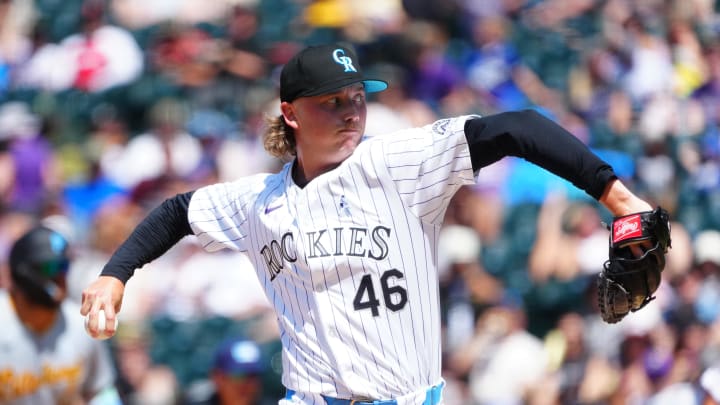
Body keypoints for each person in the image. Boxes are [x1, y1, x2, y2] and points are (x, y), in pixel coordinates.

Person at [81, 42, 659, 405]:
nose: (351, 110)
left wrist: (617, 197)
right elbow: (179, 211)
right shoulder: (256, 199)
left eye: (357, 96)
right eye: (332, 100)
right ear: (290, 112)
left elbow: (519, 126)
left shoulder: (396, 162)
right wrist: (117, 272)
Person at [1, 224, 121, 404]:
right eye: (50, 268)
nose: (61, 277)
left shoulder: (80, 323)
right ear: (23, 272)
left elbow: (100, 391)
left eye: (64, 267)